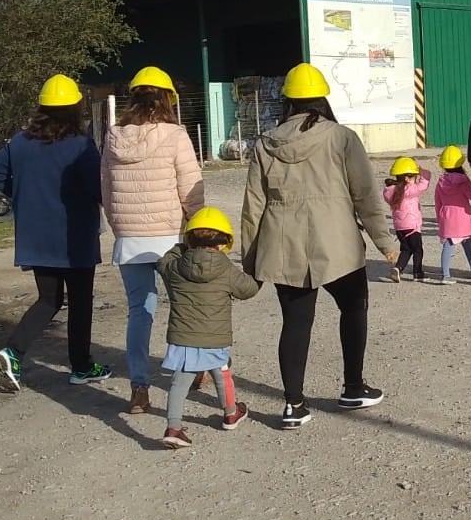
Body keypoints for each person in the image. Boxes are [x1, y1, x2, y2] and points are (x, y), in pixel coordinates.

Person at [241, 63, 398, 430]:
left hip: (284, 247)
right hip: (338, 244)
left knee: (295, 324)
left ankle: (294, 405)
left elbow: (254, 206)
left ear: (288, 104)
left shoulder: (266, 143)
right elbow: (365, 195)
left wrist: (250, 262)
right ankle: (353, 387)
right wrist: (385, 242)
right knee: (354, 308)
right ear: (322, 100)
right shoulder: (341, 138)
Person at [0, 75, 109, 392]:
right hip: (74, 237)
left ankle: (12, 351)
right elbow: (98, 189)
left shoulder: (21, 143)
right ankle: (81, 366)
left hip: (36, 236)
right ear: (74, 109)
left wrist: (23, 193)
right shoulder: (81, 146)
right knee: (80, 302)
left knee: (48, 300)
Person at [100, 65, 206, 415]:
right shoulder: (175, 135)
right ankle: (193, 369)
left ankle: (139, 388)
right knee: (184, 305)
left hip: (130, 240)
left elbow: (107, 192)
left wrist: (120, 230)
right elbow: (190, 187)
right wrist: (196, 226)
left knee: (139, 312)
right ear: (167, 99)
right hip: (169, 238)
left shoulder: (113, 137)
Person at [155, 207, 259, 449]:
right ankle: (231, 413)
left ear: (188, 240)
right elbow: (249, 290)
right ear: (224, 244)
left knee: (180, 381)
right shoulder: (227, 270)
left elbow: (163, 262)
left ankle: (173, 427)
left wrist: (184, 245)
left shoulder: (176, 267)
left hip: (183, 336)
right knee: (221, 373)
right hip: (215, 336)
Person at [432, 145, 471, 284]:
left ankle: (446, 274)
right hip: (462, 218)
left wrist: (439, 219)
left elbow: (437, 202)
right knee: (467, 243)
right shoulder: (463, 181)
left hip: (447, 217)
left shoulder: (441, 181)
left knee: (448, 245)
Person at [383, 157, 431, 283]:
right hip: (412, 227)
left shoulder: (389, 191)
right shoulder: (410, 190)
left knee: (406, 249)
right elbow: (425, 183)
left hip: (399, 228)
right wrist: (422, 171)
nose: (415, 179)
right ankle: (418, 273)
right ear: (407, 178)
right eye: (414, 176)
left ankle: (398, 268)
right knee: (417, 250)